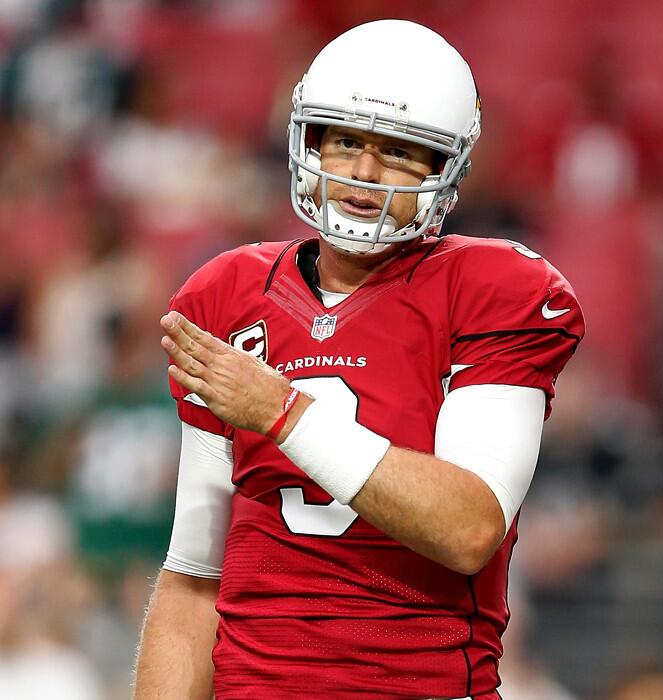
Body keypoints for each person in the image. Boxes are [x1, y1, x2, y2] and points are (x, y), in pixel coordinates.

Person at [132, 20, 583, 699]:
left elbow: (469, 527)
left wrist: (281, 412)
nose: (363, 175)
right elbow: (194, 576)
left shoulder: (491, 290)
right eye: (344, 141)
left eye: (399, 152)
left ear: (445, 167)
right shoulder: (226, 295)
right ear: (307, 139)